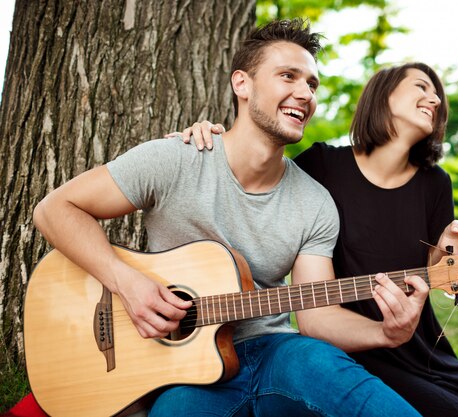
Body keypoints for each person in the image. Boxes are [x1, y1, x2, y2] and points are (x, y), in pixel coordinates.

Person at [33, 19, 426, 417]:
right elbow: (54, 210)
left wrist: (385, 333)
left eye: (312, 84)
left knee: (350, 390)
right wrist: (128, 283)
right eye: (288, 76)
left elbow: (317, 315)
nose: (304, 93)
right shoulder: (174, 159)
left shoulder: (316, 203)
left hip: (279, 355)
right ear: (242, 84)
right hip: (183, 371)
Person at [178, 62, 458, 417]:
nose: (434, 99)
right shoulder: (322, 165)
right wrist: (212, 141)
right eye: (421, 87)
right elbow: (257, 178)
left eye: (437, 96)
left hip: (417, 344)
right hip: (347, 347)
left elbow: (431, 274)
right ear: (383, 96)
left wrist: (446, 253)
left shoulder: (436, 183)